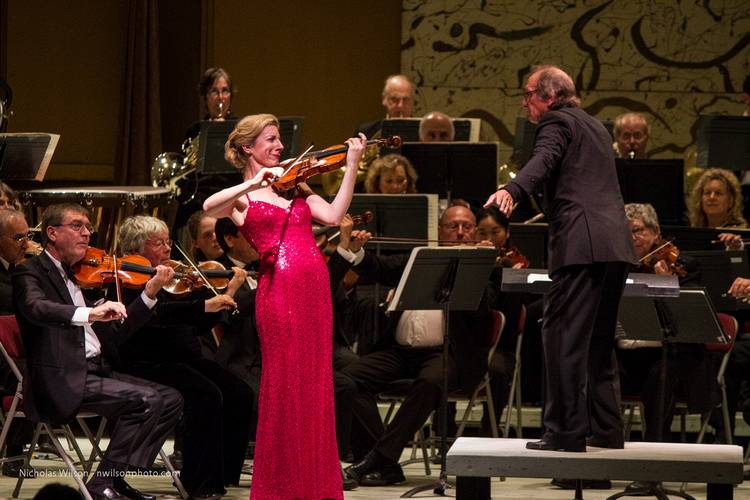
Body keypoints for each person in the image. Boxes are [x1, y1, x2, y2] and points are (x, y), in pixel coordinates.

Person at [202, 113, 366, 499]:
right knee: (285, 385)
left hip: (315, 290)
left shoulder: (294, 185)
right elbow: (209, 207)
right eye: (271, 140)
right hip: (279, 294)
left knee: (314, 385)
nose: (279, 147)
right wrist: (255, 182)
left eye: (279, 140)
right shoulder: (243, 195)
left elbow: (332, 215)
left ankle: (315, 485)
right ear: (248, 148)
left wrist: (353, 165)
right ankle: (281, 487)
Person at [485, 65, 635, 452]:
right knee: (599, 342)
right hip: (615, 245)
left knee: (562, 334)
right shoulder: (595, 126)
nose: (525, 102)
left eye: (529, 93)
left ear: (549, 97)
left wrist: (514, 189)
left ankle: (565, 434)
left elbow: (545, 158)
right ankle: (606, 431)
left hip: (581, 245)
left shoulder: (555, 121)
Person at [11, 203, 182, 500]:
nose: (87, 233)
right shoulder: (29, 273)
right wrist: (89, 313)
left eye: (88, 227)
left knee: (170, 399)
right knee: (146, 400)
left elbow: (117, 334)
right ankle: (103, 482)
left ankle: (113, 477)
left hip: (95, 371)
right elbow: (35, 307)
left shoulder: (85, 275)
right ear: (52, 232)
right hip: (60, 379)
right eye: (77, 226)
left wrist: (149, 293)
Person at [342, 204, 506, 486]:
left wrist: (477, 267)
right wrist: (356, 250)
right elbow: (379, 267)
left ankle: (377, 459)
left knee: (431, 381)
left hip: (445, 354)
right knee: (345, 380)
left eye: (467, 227)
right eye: (453, 226)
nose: (460, 232)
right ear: (440, 231)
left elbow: (485, 307)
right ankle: (384, 460)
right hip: (399, 352)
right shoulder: (420, 258)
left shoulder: (482, 267)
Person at [116, 215, 252, 499]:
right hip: (147, 360)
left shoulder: (173, 276)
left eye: (168, 241)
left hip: (182, 357)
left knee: (239, 392)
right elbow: (157, 319)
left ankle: (223, 474)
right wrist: (203, 305)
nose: (168, 248)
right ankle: (198, 481)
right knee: (206, 394)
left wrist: (225, 295)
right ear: (137, 248)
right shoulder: (129, 278)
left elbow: (195, 323)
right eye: (159, 243)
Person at [355, 74, 415, 138]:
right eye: (394, 99)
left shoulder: (424, 133)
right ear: (384, 99)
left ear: (413, 101)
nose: (400, 105)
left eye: (406, 99)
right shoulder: (365, 131)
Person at [185, 67, 236, 140]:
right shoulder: (194, 131)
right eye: (214, 91)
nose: (220, 97)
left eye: (225, 91)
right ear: (205, 96)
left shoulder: (240, 128)